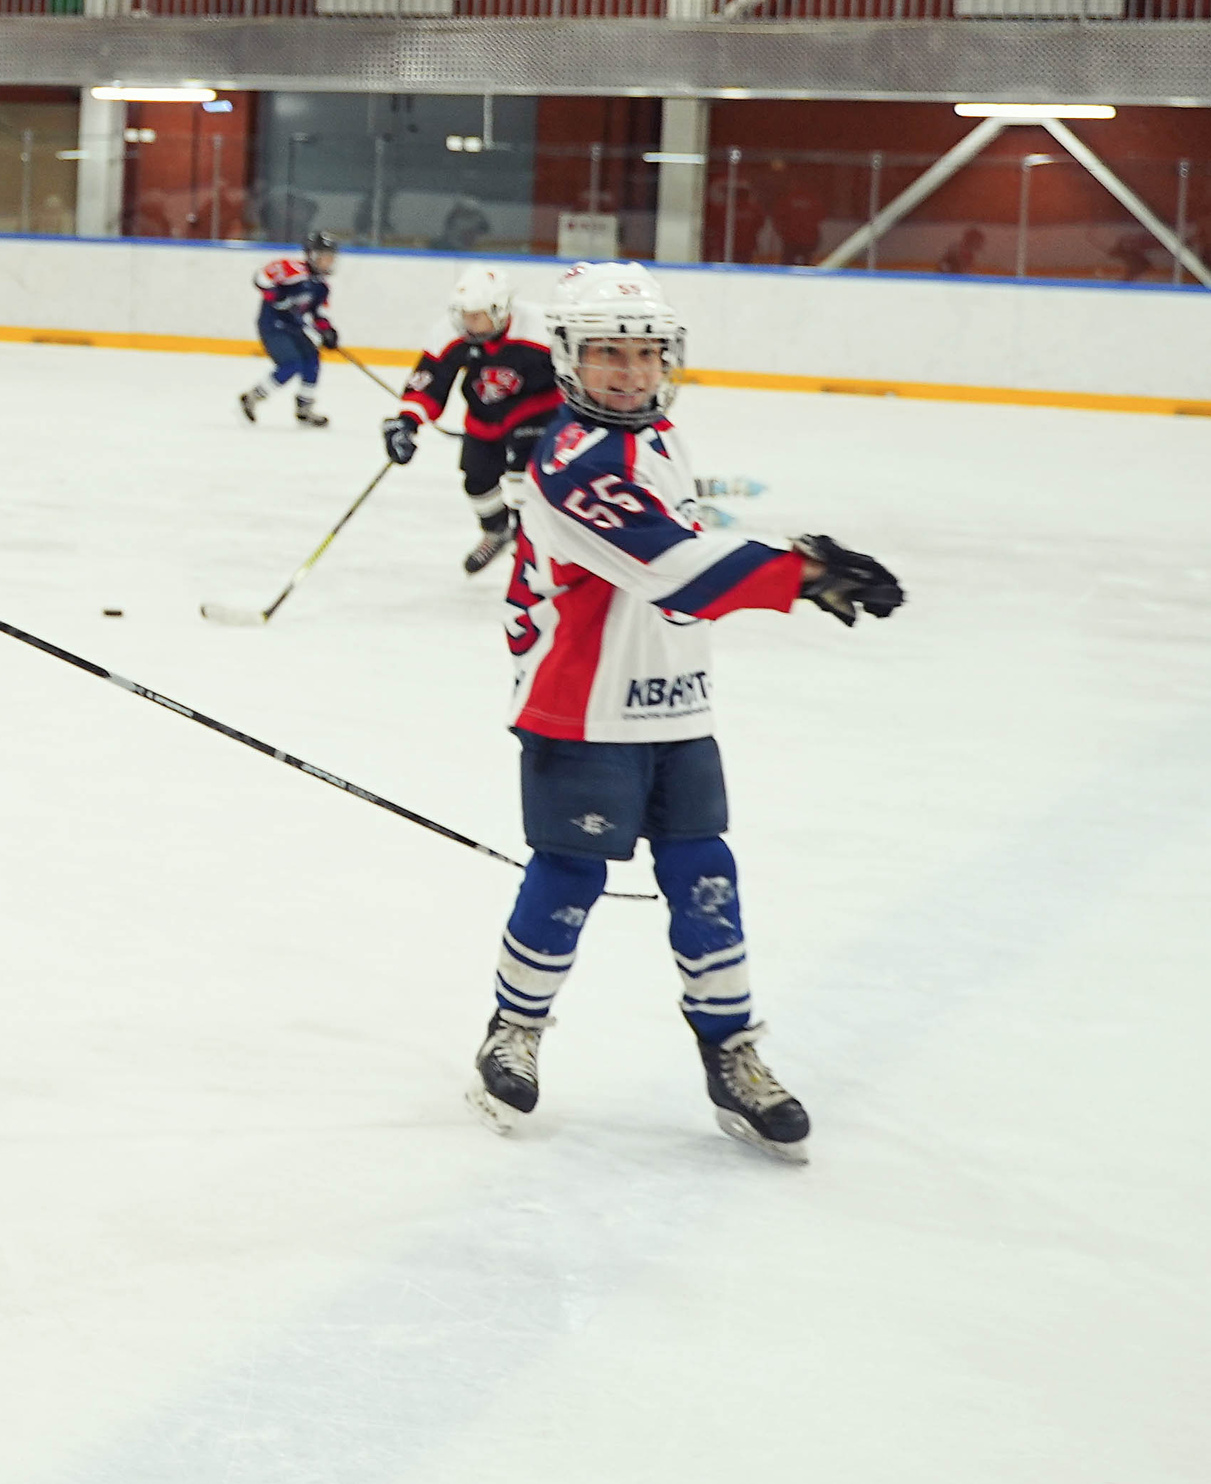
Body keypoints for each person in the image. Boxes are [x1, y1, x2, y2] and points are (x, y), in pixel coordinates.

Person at [476, 261, 903, 1163]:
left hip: (675, 703)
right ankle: (513, 1029)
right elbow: (671, 569)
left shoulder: (662, 436)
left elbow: (685, 568)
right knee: (570, 876)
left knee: (706, 871)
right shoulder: (568, 462)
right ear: (568, 359)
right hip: (579, 707)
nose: (628, 372)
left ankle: (732, 1055)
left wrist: (785, 563)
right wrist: (804, 572)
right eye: (606, 354)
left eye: (643, 352)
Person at [382, 265, 563, 575]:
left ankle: (531, 547)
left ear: (501, 309)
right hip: (485, 416)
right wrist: (406, 422)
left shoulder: (540, 328)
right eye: (464, 314)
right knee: (477, 483)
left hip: (537, 411)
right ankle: (497, 531)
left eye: (476, 315)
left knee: (525, 480)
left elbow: (578, 372)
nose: (468, 322)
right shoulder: (451, 332)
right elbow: (430, 379)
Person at [236, 231, 340, 427]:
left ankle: (304, 408)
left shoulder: (321, 287)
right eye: (325, 257)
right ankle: (252, 398)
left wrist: (327, 331)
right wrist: (276, 296)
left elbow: (316, 314)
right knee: (291, 364)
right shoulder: (292, 269)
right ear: (312, 255)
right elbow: (260, 278)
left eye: (331, 258)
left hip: (294, 327)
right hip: (272, 325)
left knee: (311, 359)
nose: (329, 262)